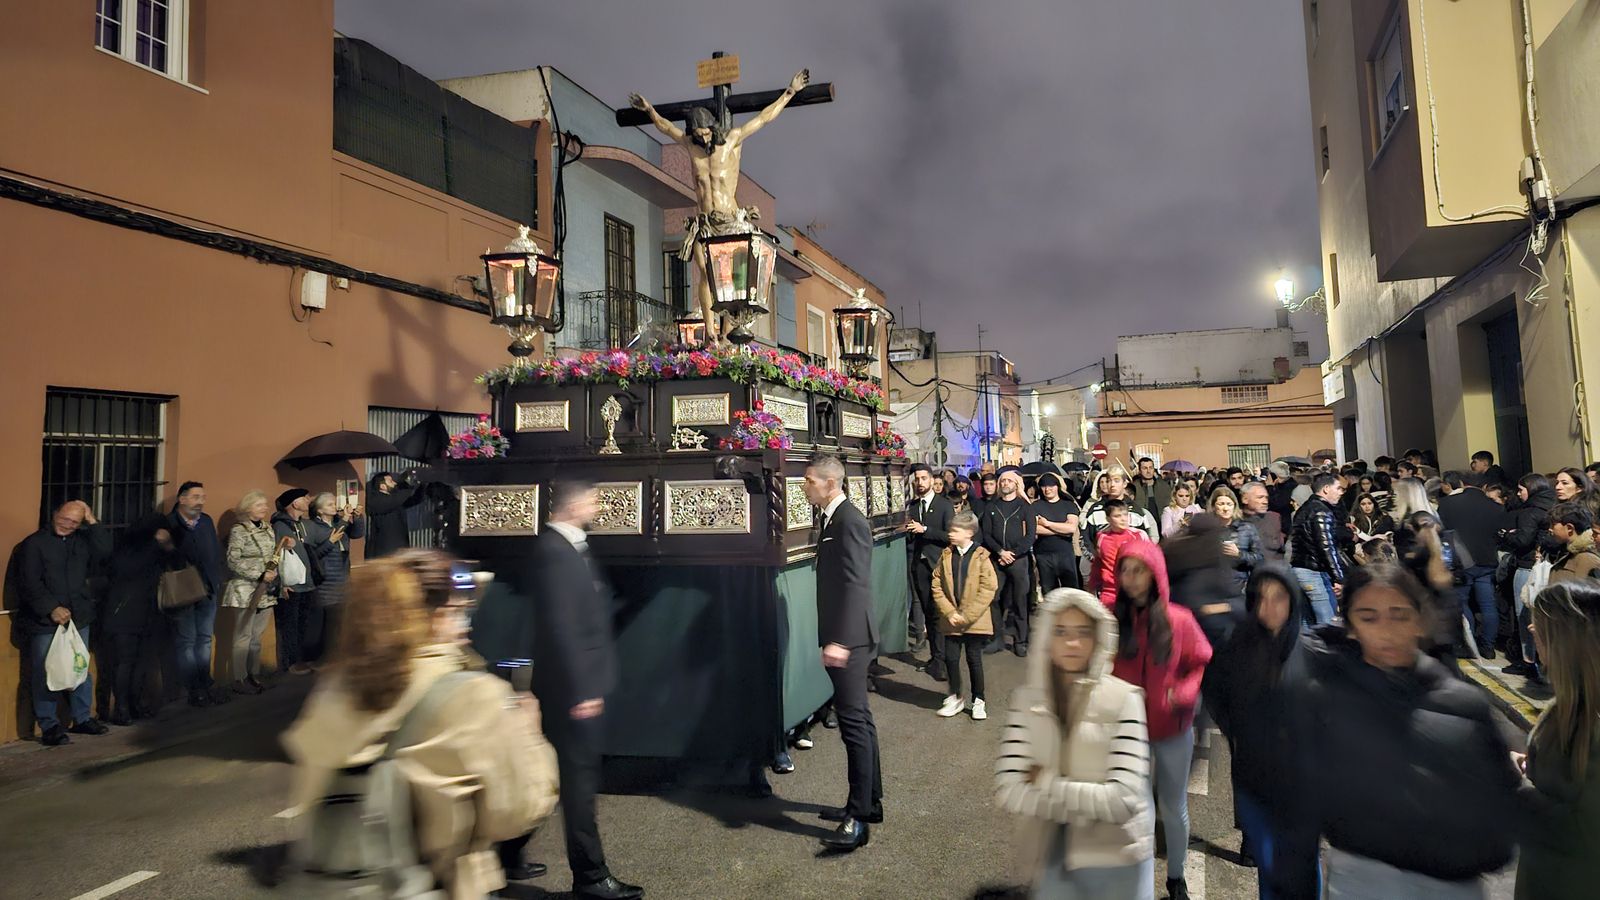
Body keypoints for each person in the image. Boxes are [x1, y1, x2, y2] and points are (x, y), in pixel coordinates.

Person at [282, 549, 557, 899]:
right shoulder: (473, 695)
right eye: (459, 611)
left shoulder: (334, 687)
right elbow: (515, 811)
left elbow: (308, 790)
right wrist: (530, 736)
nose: (466, 625)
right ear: (437, 617)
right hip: (427, 885)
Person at [1293, 564, 1519, 898]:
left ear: (1419, 619)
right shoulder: (1328, 697)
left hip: (1449, 884)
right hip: (1359, 876)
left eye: (1399, 614)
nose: (1386, 630)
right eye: (1368, 617)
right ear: (1350, 626)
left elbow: (1499, 803)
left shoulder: (1463, 704)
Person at [505, 480, 641, 896]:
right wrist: (583, 689)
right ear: (574, 504)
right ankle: (591, 877)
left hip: (569, 684)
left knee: (550, 776)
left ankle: (504, 855)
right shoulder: (555, 552)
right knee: (577, 784)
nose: (597, 506)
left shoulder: (566, 547)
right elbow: (562, 627)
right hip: (570, 689)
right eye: (593, 500)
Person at [995, 588, 1154, 899]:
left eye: (1083, 632)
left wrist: (1047, 782)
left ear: (1098, 638)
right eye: (1061, 632)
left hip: (1116, 858)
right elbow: (1009, 789)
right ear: (1045, 638)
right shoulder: (1026, 701)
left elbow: (1124, 798)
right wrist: (1088, 800)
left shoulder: (1124, 699)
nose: (1072, 643)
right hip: (1050, 854)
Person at [1202, 566, 1319, 899]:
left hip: (1302, 781)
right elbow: (1213, 690)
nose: (1269, 607)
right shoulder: (1235, 645)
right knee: (1269, 868)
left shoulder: (1311, 651)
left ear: (1293, 600)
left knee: (1304, 868)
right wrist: (1235, 731)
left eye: (1279, 597)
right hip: (1254, 771)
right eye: (1260, 598)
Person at [1108, 540, 1210, 900]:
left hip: (1172, 729)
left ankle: (1176, 876)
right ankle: (1137, 881)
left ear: (1155, 573)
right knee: (1136, 808)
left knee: (1173, 806)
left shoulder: (1178, 619)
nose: (1131, 578)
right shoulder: (1112, 620)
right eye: (1125, 569)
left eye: (1139, 569)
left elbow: (1200, 660)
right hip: (1127, 733)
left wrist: (1182, 694)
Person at [804, 454, 882, 852]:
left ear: (829, 483)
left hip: (850, 638)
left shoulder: (849, 520)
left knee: (853, 725)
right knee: (860, 722)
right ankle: (869, 802)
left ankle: (859, 817)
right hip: (844, 635)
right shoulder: (834, 517)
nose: (804, 486)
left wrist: (842, 640)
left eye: (809, 480)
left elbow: (856, 584)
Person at [1515, 581, 1600, 900]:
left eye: (1542, 622)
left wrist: (1518, 791)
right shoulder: (1568, 707)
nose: (1532, 626)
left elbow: (1588, 830)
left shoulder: (1591, 723)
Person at [17, 500, 112, 746]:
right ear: (54, 513)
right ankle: (49, 725)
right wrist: (50, 608)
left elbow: (105, 551)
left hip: (79, 617)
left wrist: (92, 520)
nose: (67, 525)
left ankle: (82, 718)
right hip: (46, 621)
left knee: (80, 668)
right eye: (64, 519)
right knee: (46, 672)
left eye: (74, 522)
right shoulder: (34, 544)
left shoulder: (81, 542)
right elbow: (29, 582)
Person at [101, 516, 179, 725]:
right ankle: (121, 708)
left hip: (148, 613)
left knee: (141, 663)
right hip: (124, 612)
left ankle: (135, 704)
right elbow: (126, 570)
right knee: (124, 663)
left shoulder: (157, 550)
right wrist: (156, 544)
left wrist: (167, 546)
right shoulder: (130, 548)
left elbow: (178, 563)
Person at [929, 511, 996, 721]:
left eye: (955, 531)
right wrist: (949, 612)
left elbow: (989, 587)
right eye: (950, 530)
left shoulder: (982, 556)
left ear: (969, 533)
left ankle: (979, 700)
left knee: (973, 659)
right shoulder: (946, 554)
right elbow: (936, 583)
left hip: (974, 620)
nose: (950, 534)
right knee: (950, 658)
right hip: (951, 619)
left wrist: (967, 615)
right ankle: (956, 695)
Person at [167, 480, 225, 706]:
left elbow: (213, 552)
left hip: (209, 589)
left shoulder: (206, 521)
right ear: (181, 499)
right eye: (195, 497)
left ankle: (205, 681)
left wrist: (216, 579)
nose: (200, 501)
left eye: (202, 497)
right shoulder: (170, 524)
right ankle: (193, 688)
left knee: (204, 639)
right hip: (183, 591)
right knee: (187, 641)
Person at [1499, 473, 1560, 680]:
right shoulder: (1554, 505)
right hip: (1551, 566)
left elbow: (1523, 540)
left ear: (1531, 489)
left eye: (1521, 489)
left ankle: (1528, 662)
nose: (1518, 493)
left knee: (1525, 616)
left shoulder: (1529, 511)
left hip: (1528, 567)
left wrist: (1507, 535)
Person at [219, 490, 280, 696]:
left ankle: (254, 674)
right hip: (244, 590)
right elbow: (232, 559)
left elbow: (273, 556)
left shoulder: (268, 529)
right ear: (247, 508)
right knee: (242, 636)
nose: (264, 508)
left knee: (256, 636)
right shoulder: (239, 531)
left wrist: (273, 574)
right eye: (259, 505)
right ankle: (239, 677)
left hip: (266, 590)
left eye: (265, 504)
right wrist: (259, 573)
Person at [1438, 472, 1502, 659]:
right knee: (1488, 605)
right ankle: (1488, 647)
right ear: (1483, 487)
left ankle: (1468, 642)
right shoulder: (1495, 507)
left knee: (1461, 602)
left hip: (1461, 562)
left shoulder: (1448, 504)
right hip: (1487, 560)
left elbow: (1442, 532)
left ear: (1462, 484)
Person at [903, 464, 954, 678]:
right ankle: (934, 657)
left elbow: (950, 535)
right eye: (917, 479)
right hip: (918, 566)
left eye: (924, 478)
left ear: (932, 480)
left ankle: (942, 662)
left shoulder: (944, 505)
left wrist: (926, 530)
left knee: (938, 614)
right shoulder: (913, 507)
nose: (920, 483)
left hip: (938, 566)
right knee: (926, 611)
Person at [980, 467, 1037, 657]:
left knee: (1020, 601)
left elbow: (1030, 535)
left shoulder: (1025, 506)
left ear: (1016, 485)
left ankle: (1021, 640)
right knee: (994, 599)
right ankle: (997, 639)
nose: (1005, 484)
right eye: (1002, 481)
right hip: (997, 559)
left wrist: (1012, 553)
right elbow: (986, 533)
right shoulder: (992, 507)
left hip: (1018, 560)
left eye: (1009, 481)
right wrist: (1000, 551)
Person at [303, 492, 366, 663]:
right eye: (330, 504)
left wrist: (358, 517)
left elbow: (357, 533)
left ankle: (336, 656)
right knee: (324, 625)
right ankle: (319, 658)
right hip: (325, 581)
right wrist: (330, 541)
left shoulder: (339, 523)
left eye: (333, 503)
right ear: (320, 510)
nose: (334, 506)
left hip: (342, 577)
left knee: (340, 622)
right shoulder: (314, 527)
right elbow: (314, 554)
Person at [1289, 473, 1348, 625]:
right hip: (1313, 573)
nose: (1341, 492)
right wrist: (1338, 578)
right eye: (1338, 488)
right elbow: (1326, 547)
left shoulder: (1305, 509)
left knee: (1307, 620)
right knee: (1327, 620)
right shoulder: (1321, 512)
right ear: (1326, 489)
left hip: (1302, 569)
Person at [272, 489, 319, 676]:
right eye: (304, 498)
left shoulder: (303, 524)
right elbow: (275, 555)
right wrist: (281, 583)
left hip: (307, 583)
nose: (308, 500)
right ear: (293, 503)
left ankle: (301, 661)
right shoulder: (280, 525)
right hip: (291, 585)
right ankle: (290, 663)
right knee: (290, 627)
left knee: (303, 625)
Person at [1090, 499, 1148, 607]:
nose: (1123, 519)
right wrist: (1092, 586)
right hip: (1109, 592)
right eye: (1117, 516)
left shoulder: (1139, 535)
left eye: (1125, 515)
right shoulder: (1101, 537)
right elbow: (1098, 564)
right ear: (1108, 519)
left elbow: (1151, 564)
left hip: (1133, 592)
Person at [1032, 472, 1081, 592]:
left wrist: (1048, 524)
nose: (1047, 489)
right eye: (1044, 486)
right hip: (1043, 555)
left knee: (1071, 592)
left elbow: (1071, 529)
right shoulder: (1035, 506)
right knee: (1049, 592)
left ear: (1057, 487)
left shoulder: (1069, 505)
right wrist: (1061, 529)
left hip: (1066, 554)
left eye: (1051, 486)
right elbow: (1034, 528)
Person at [1208, 487, 1263, 592]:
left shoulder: (1247, 528)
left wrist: (1239, 554)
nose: (1225, 508)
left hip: (1240, 586)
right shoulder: (1208, 529)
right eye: (1221, 504)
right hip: (1213, 586)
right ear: (1214, 506)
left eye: (1229, 504)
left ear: (1234, 506)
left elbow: (1259, 558)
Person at [365, 470, 423, 559]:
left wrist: (422, 485)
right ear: (382, 486)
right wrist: (409, 485)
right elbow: (397, 498)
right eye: (390, 481)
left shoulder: (395, 499)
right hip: (385, 551)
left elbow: (415, 499)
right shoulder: (377, 500)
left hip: (400, 548)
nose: (394, 483)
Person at [1547, 502, 1600, 586]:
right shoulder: (1566, 552)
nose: (1550, 529)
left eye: (1553, 525)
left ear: (1569, 528)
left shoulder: (1587, 559)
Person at [1240, 482, 1286, 562]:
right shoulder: (1235, 520)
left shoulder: (1274, 518)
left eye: (1266, 498)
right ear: (1245, 499)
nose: (1265, 502)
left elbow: (1280, 549)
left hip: (1274, 570)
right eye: (1260, 497)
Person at [1129, 457, 1173, 534]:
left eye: (1151, 468)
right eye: (1145, 468)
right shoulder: (1134, 487)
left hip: (1162, 525)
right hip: (1144, 526)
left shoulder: (1164, 486)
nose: (1148, 471)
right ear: (1139, 470)